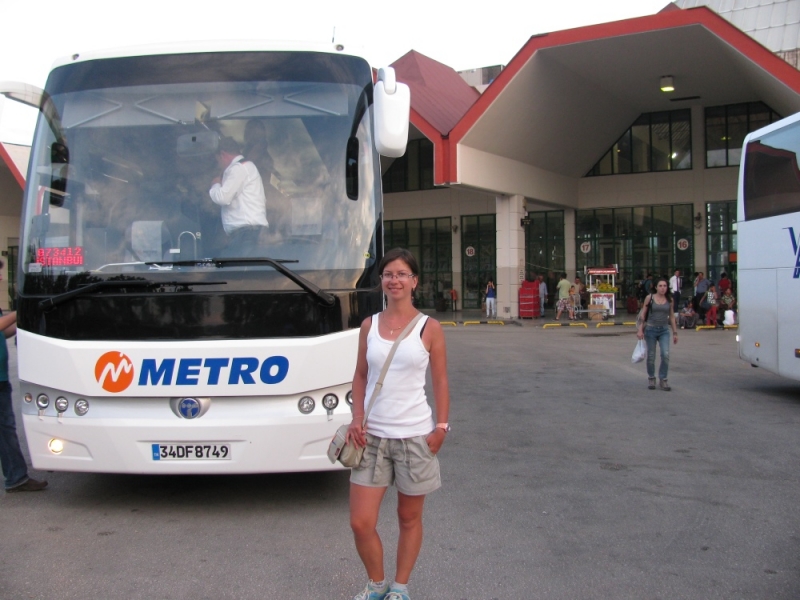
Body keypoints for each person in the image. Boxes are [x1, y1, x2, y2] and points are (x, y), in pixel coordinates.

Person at [346, 248, 450, 600]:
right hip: (371, 438)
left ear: (414, 281)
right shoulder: (369, 325)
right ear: (382, 282)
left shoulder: (430, 328)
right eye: (389, 274)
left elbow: (441, 382)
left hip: (415, 438)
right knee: (361, 522)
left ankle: (400, 588)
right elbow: (360, 376)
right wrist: (356, 418)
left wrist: (441, 427)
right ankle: (376, 584)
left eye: (402, 274)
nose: (395, 280)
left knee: (408, 518)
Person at [0, 305, 47, 493]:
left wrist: (22, 324)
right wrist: (22, 310)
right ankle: (16, 477)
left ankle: (16, 477)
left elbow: (3, 332)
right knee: (5, 429)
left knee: (6, 430)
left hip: (2, 378)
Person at [208, 136, 269, 257]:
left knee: (243, 273)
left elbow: (223, 197)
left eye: (218, 160)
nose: (219, 165)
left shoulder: (239, 168)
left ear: (223, 154)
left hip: (247, 233)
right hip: (248, 233)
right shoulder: (245, 167)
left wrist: (215, 184)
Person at [637, 278, 678, 391]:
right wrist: (640, 329)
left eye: (664, 286)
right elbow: (643, 314)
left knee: (665, 354)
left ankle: (663, 379)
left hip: (664, 330)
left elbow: (672, 316)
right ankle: (651, 377)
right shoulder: (649, 298)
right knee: (651, 356)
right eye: (660, 286)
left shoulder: (669, 299)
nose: (662, 288)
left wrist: (675, 332)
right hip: (651, 329)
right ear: (656, 287)